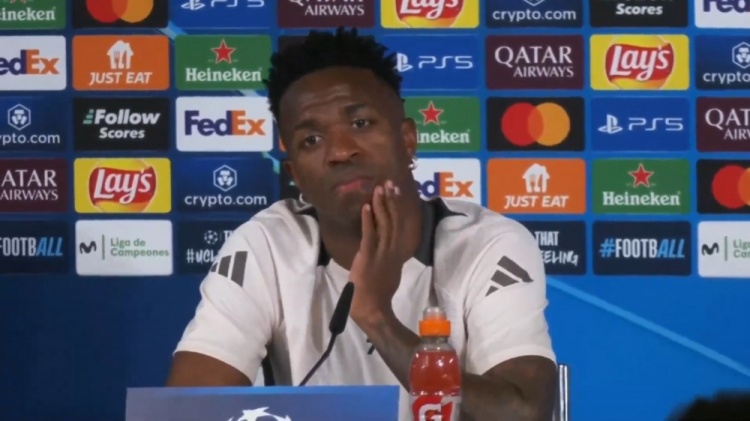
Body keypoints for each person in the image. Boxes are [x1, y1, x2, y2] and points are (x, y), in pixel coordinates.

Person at [166, 27, 558, 421]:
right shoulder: (266, 245)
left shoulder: (489, 243)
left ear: (408, 140)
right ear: (296, 176)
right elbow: (185, 414)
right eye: (311, 140)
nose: (340, 151)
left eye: (361, 123)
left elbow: (524, 413)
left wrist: (376, 317)